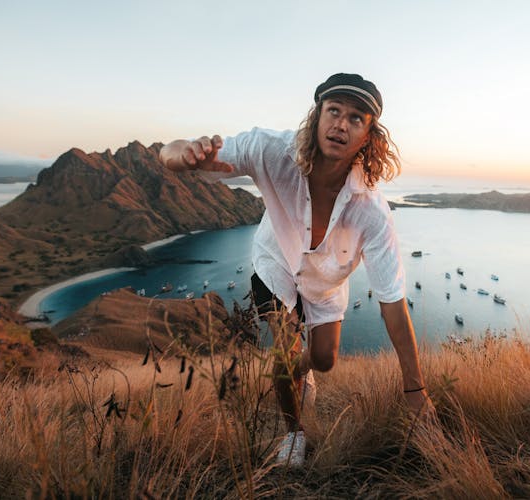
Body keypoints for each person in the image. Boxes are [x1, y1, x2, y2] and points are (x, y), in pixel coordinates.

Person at [160, 73, 434, 467]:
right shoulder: (272, 151)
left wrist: (415, 387)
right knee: (286, 357)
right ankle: (294, 433)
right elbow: (172, 153)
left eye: (356, 118)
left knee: (323, 359)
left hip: (324, 283)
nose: (341, 123)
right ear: (317, 115)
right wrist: (183, 153)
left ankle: (304, 374)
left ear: (369, 137)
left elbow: (392, 302)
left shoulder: (371, 212)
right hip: (275, 264)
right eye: (334, 111)